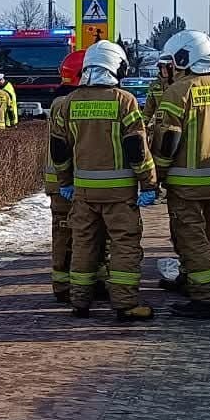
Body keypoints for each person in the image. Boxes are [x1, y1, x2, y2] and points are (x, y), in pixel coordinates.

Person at [49, 39, 157, 322]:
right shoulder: (124, 100)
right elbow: (137, 148)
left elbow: (59, 150)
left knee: (84, 243)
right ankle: (124, 304)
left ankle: (80, 302)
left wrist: (66, 182)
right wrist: (148, 183)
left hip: (83, 192)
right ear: (115, 67)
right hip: (119, 193)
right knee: (124, 245)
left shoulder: (68, 103)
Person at [151, 30, 210, 320]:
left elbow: (168, 140)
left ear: (185, 58)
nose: (172, 70)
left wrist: (158, 174)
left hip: (185, 183)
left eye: (174, 63)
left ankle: (204, 296)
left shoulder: (178, 92)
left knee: (191, 239)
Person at [43, 50, 99, 303]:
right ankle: (75, 285)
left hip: (61, 182)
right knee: (80, 235)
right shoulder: (69, 103)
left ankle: (66, 285)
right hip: (72, 181)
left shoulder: (60, 101)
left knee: (66, 234)